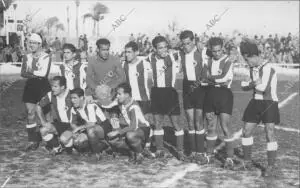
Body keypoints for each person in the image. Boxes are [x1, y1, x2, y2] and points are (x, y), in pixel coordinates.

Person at [235, 40, 280, 177]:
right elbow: (243, 86)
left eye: (246, 59)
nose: (246, 63)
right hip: (255, 102)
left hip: (269, 103)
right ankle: (247, 162)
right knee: (246, 131)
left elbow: (263, 88)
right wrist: (254, 83)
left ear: (251, 55)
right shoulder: (252, 68)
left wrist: (251, 84)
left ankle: (270, 166)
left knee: (269, 133)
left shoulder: (268, 68)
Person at [145, 36, 185, 160]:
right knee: (157, 123)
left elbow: (189, 50)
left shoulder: (174, 56)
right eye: (160, 48)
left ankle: (180, 151)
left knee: (176, 123)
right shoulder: (148, 59)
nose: (163, 50)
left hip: (170, 93)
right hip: (156, 93)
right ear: (154, 49)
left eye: (165, 47)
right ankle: (159, 150)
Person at [203, 37, 235, 169]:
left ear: (223, 48)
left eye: (219, 50)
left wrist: (210, 78)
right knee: (210, 126)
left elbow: (224, 78)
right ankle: (209, 155)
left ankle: (229, 158)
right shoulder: (209, 61)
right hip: (210, 94)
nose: (217, 53)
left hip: (224, 95)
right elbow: (203, 77)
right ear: (211, 50)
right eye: (214, 51)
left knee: (225, 126)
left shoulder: (228, 60)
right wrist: (212, 79)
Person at [179, 30, 210, 163]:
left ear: (193, 42)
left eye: (188, 43)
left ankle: (200, 152)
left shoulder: (201, 51)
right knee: (190, 123)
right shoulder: (180, 54)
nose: (186, 46)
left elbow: (215, 54)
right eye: (183, 44)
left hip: (200, 88)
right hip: (186, 87)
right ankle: (192, 151)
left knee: (199, 122)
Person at [20, 33, 52, 151]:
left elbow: (44, 74)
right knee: (30, 113)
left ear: (39, 44)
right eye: (30, 43)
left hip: (43, 86)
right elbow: (23, 73)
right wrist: (35, 72)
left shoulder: (46, 56)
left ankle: (51, 140)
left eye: (34, 43)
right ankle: (33, 140)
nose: (31, 45)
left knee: (47, 113)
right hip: (30, 86)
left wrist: (31, 71)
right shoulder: (26, 57)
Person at [86, 38, 126, 128]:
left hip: (112, 95)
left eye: (107, 49)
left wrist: (110, 87)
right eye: (103, 50)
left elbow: (122, 77)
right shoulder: (92, 60)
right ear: (97, 49)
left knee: (115, 122)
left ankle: (117, 136)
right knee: (101, 123)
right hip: (98, 95)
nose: (106, 52)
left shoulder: (115, 59)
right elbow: (89, 78)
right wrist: (98, 89)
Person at [107, 83, 151, 164]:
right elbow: (107, 105)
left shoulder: (134, 107)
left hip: (143, 130)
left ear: (127, 95)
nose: (117, 96)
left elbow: (133, 126)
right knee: (112, 140)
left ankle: (139, 153)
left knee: (130, 135)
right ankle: (132, 150)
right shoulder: (120, 101)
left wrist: (118, 132)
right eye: (117, 94)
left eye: (119, 94)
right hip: (131, 129)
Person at [66, 88, 113, 159]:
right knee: (78, 141)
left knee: (90, 131)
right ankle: (103, 146)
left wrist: (78, 128)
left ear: (81, 97)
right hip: (89, 127)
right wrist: (76, 132)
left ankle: (96, 153)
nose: (72, 100)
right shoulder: (74, 109)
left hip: (103, 127)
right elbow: (72, 123)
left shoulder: (90, 105)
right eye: (71, 98)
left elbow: (92, 124)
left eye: (75, 98)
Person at [35, 76, 71, 155]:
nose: (52, 88)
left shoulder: (71, 95)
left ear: (62, 87)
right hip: (60, 124)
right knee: (43, 130)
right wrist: (43, 122)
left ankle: (71, 147)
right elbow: (38, 106)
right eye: (52, 86)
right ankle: (57, 147)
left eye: (55, 86)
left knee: (73, 144)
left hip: (71, 126)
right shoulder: (50, 95)